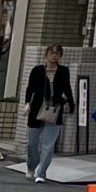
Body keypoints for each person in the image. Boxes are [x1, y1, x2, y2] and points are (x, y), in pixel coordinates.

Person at [22, 45, 66, 183]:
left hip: (55, 109)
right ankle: (31, 167)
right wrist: (27, 103)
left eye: (57, 53)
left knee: (48, 144)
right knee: (32, 143)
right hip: (37, 109)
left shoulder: (63, 71)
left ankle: (41, 173)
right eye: (51, 52)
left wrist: (70, 104)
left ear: (60, 56)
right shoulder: (37, 70)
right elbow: (30, 88)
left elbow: (67, 88)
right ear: (46, 54)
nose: (54, 55)